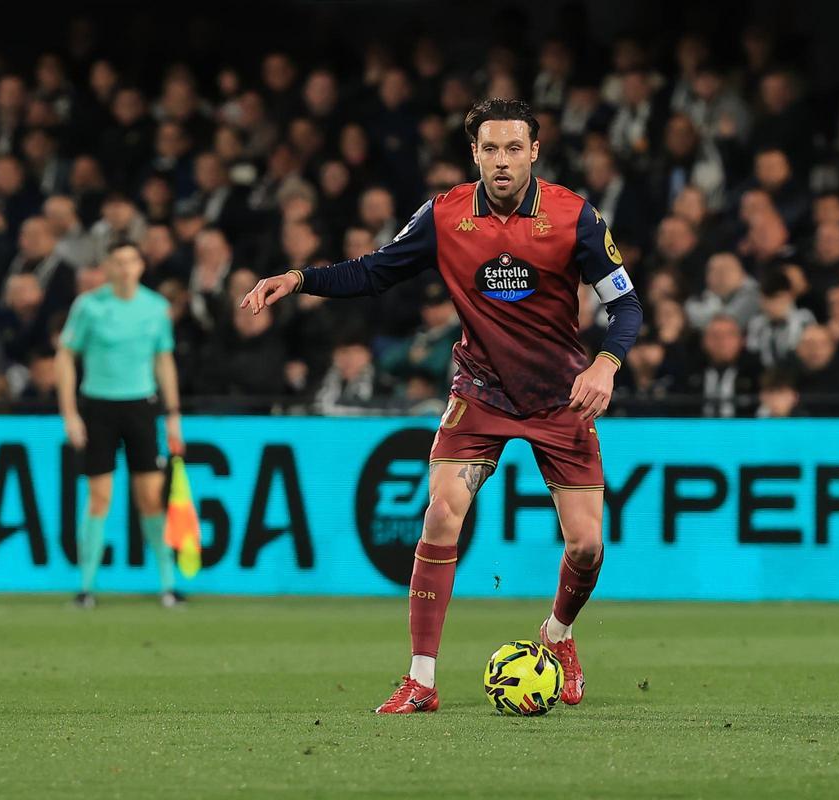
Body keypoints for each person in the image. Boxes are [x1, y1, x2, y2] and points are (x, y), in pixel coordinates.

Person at [241, 98, 643, 713]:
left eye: (514, 148)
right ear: (474, 153)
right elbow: (374, 271)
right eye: (490, 149)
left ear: (534, 151)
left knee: (586, 546)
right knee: (440, 514)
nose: (502, 161)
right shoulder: (445, 214)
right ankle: (421, 679)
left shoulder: (574, 216)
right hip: (480, 389)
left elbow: (627, 306)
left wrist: (607, 364)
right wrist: (299, 279)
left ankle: (557, 635)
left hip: (560, 397)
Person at [55, 243, 185, 610]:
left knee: (150, 499)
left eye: (131, 261)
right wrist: (69, 412)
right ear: (108, 267)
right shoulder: (89, 307)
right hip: (98, 406)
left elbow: (164, 361)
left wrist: (172, 413)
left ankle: (167, 585)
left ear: (141, 266)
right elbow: (65, 356)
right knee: (99, 498)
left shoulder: (156, 308)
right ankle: (86, 587)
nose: (126, 268)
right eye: (118, 261)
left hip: (141, 407)